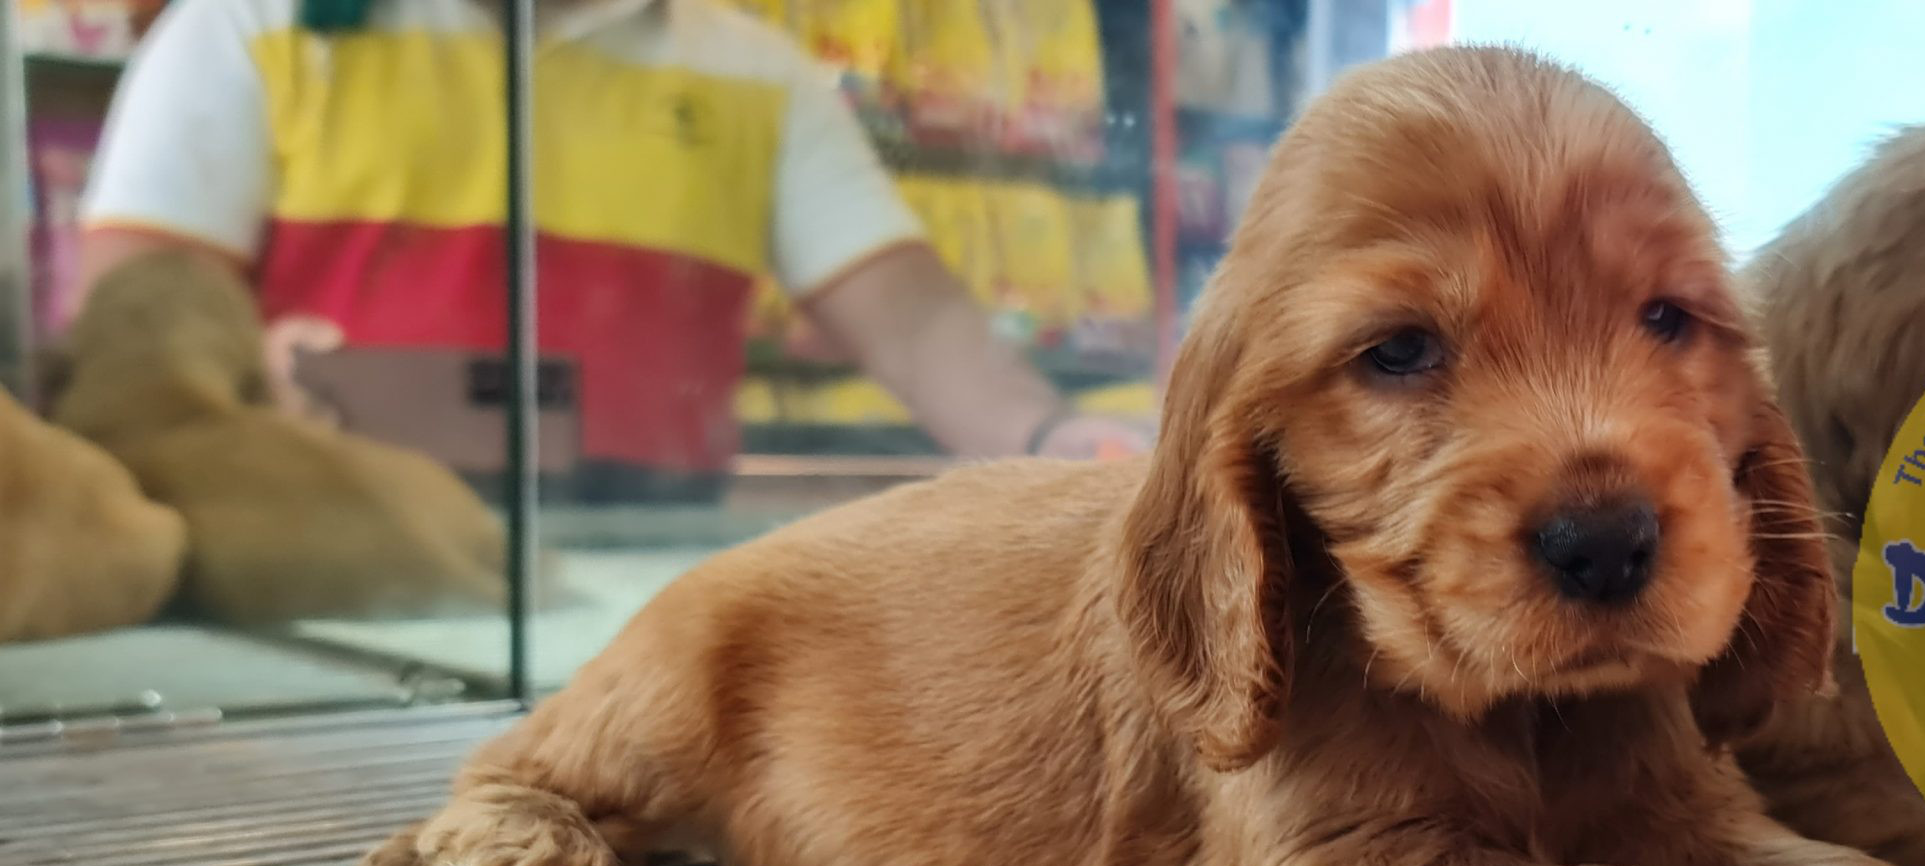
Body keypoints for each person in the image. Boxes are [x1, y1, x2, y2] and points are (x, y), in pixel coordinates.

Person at [77, 0, 1148, 502]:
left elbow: (908, 316)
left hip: (625, 579)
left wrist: (1047, 432)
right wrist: (247, 371)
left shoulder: (754, 72)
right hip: (312, 568)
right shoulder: (247, 26)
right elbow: (134, 320)